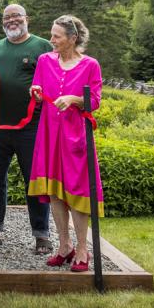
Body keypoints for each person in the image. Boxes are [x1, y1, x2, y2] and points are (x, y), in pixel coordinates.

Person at [28, 15, 104, 273]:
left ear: (73, 38)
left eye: (57, 36)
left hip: (76, 137)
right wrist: (35, 92)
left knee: (78, 192)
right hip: (49, 133)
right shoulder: (44, 61)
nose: (51, 40)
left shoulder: (90, 65)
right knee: (55, 193)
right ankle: (64, 246)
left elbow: (94, 101)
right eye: (52, 35)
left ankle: (83, 249)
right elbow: (37, 88)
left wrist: (73, 98)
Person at [0, 4, 54, 254]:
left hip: (31, 127)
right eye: (7, 17)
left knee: (34, 181)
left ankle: (41, 234)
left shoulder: (42, 46)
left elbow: (54, 81)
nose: (12, 21)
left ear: (27, 19)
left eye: (16, 16)